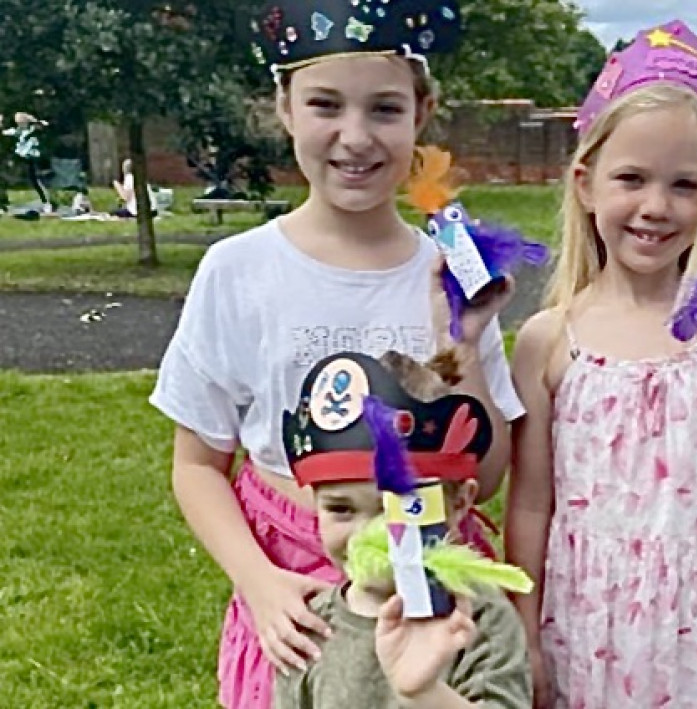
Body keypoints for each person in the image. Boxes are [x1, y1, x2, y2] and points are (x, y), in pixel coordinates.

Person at [148, 1, 522, 707]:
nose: (355, 137)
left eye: (384, 108)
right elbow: (197, 465)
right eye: (325, 104)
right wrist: (258, 584)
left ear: (422, 111)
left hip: (427, 591)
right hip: (294, 597)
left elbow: (488, 474)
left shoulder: (447, 277)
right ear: (284, 107)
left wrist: (462, 339)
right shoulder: (239, 270)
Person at [505, 20, 697, 708]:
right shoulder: (550, 340)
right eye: (631, 178)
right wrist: (525, 633)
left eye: (685, 185)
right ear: (586, 183)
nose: (656, 207)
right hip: (583, 620)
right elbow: (532, 501)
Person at [272, 348, 531, 708]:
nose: (365, 534)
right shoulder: (309, 627)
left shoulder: (476, 619)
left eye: (394, 508)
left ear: (457, 504)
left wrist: (424, 693)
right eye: (340, 509)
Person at [3, 112, 52, 212]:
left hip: (32, 158)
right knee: (7, 178)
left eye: (21, 121)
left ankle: (46, 203)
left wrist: (34, 120)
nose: (19, 123)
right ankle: (3, 201)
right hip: (20, 157)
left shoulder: (33, 129)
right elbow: (5, 133)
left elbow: (45, 125)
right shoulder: (16, 131)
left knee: (35, 182)